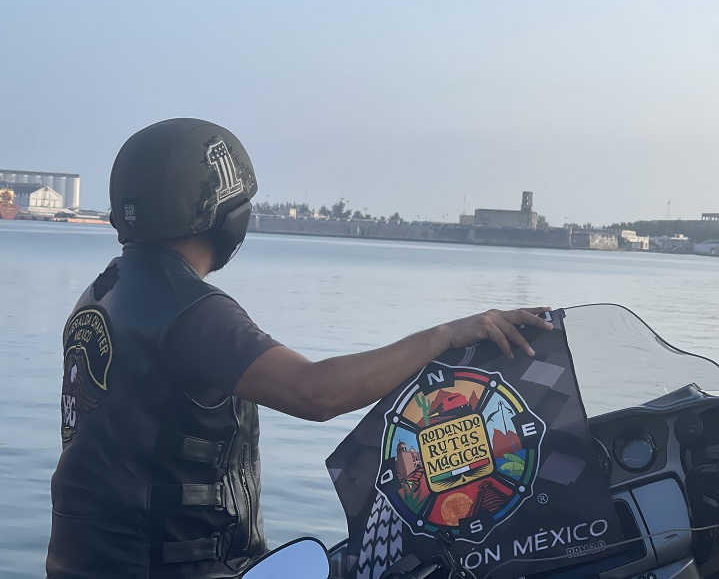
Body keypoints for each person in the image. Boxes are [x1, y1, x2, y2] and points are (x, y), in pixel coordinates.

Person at [46, 118, 552, 579]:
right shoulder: (194, 313)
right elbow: (315, 393)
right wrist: (447, 334)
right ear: (226, 216)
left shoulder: (99, 296)